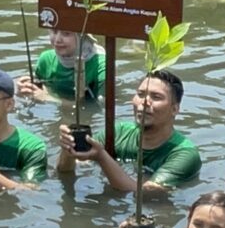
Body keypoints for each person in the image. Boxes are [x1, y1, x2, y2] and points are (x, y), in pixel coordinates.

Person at [58, 70, 202, 199]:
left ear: (175, 109)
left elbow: (142, 194)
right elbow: (66, 172)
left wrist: (101, 156)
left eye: (156, 97)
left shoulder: (184, 154)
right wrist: (68, 150)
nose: (144, 102)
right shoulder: (119, 132)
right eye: (140, 94)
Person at [18, 29, 103, 102]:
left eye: (66, 33)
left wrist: (48, 99)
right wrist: (27, 88)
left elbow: (98, 107)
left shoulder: (100, 66)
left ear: (82, 37)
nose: (57, 40)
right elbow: (40, 90)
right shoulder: (46, 60)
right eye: (54, 32)